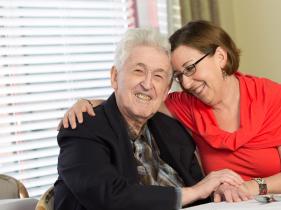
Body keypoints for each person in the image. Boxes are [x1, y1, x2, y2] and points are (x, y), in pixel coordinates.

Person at [62, 20, 281, 203]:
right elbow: (141, 99)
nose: (188, 83)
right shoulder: (186, 105)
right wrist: (91, 102)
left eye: (190, 68)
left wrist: (250, 188)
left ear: (220, 57)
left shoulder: (270, 95)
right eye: (180, 76)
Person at [54, 28, 245, 210]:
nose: (147, 84)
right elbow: (109, 197)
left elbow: (201, 194)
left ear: (166, 91)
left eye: (158, 75)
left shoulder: (172, 130)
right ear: (115, 77)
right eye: (138, 71)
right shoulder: (82, 128)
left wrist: (218, 190)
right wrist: (193, 192)